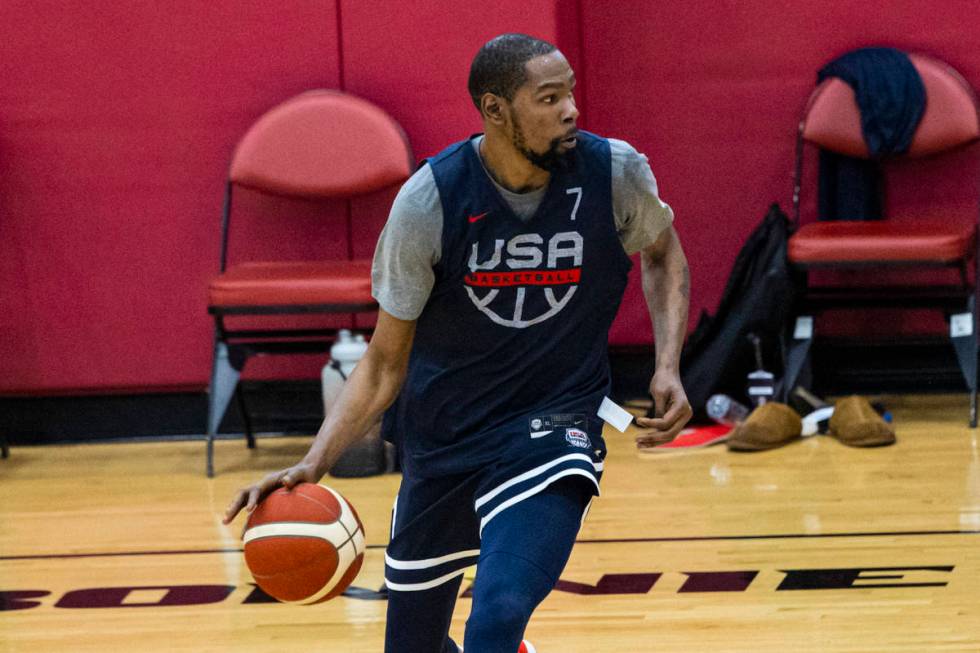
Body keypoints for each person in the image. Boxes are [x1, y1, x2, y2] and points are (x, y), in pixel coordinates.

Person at [224, 33, 692, 653]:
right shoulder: (429, 201)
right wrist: (314, 462)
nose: (571, 110)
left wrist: (667, 365)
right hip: (442, 436)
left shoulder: (615, 173)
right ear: (495, 110)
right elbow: (384, 362)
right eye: (549, 98)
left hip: (554, 423)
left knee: (496, 617)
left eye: (570, 93)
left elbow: (662, 256)